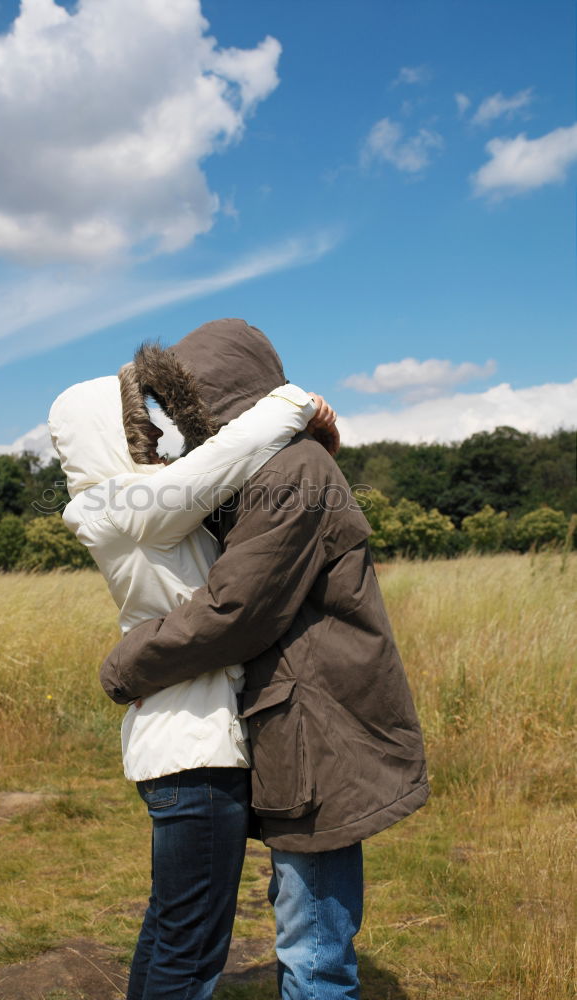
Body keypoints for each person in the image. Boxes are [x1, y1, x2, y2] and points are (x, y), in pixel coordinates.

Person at [100, 318, 430, 1000]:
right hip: (303, 722)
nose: (187, 432)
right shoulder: (279, 466)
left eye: (188, 409)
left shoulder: (292, 470)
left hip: (318, 727)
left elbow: (235, 610)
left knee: (312, 949)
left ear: (216, 400)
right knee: (305, 925)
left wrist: (126, 666)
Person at [48, 366, 338, 1000]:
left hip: (186, 748)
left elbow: (219, 475)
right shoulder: (114, 507)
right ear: (105, 433)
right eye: (137, 422)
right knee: (193, 947)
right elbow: (217, 460)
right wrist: (293, 402)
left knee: (172, 930)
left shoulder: (142, 505)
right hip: (194, 754)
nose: (153, 430)